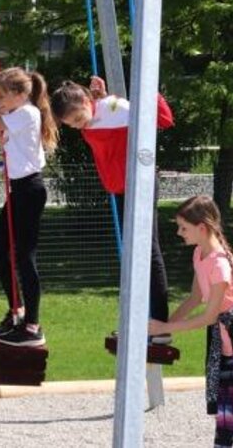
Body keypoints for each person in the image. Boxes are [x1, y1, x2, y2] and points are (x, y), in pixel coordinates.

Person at [51, 76, 174, 341]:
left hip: (138, 185)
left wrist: (147, 92)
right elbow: (100, 119)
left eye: (77, 117)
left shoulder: (118, 109)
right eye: (72, 124)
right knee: (132, 257)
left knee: (149, 253)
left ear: (85, 101)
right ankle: (140, 323)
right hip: (120, 190)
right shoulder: (96, 112)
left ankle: (160, 327)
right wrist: (99, 101)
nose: (77, 125)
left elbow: (163, 121)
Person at [148, 196, 233, 447]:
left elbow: (209, 316)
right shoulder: (200, 254)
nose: (178, 232)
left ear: (202, 228)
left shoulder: (220, 265)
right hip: (225, 347)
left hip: (230, 342)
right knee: (225, 416)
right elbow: (195, 299)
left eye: (183, 227)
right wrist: (160, 329)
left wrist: (166, 327)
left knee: (227, 416)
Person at [0, 68, 57, 347]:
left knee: (24, 257)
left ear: (20, 94)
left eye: (2, 95)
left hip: (30, 189)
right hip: (19, 189)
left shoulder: (26, 113)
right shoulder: (16, 116)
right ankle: (17, 310)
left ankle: (32, 325)